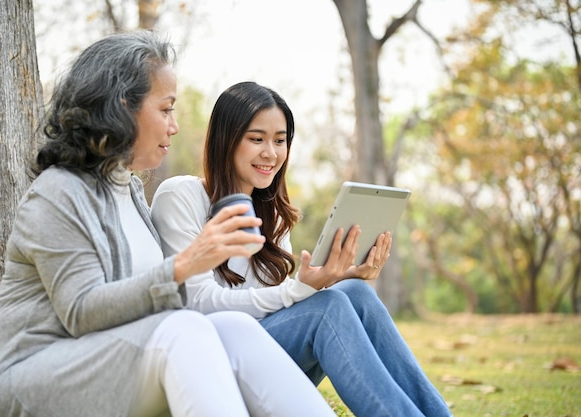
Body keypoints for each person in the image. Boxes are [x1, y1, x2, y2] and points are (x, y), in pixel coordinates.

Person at [0, 33, 338, 417]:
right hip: (31, 379)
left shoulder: (129, 189)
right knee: (185, 331)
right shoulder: (59, 193)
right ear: (122, 108)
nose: (175, 125)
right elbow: (81, 311)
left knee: (232, 326)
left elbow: (149, 301)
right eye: (166, 110)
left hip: (113, 360)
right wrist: (187, 263)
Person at [151, 81, 454, 417]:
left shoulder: (272, 214)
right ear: (226, 139)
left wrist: (334, 276)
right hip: (217, 363)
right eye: (257, 139)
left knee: (353, 291)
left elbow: (280, 309)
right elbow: (198, 303)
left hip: (269, 358)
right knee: (328, 308)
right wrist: (296, 292)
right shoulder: (180, 196)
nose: (271, 153)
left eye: (280, 141)